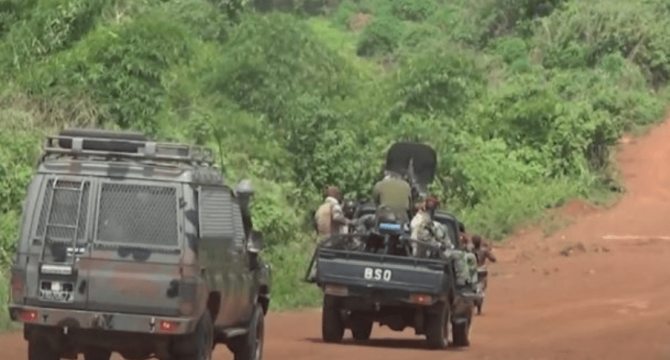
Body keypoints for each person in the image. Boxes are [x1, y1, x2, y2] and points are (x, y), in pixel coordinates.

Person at [306, 186, 353, 282]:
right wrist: (348, 222)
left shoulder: (322, 207)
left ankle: (314, 274)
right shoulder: (334, 206)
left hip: (322, 236)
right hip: (332, 237)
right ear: (336, 195)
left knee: (318, 255)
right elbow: (337, 217)